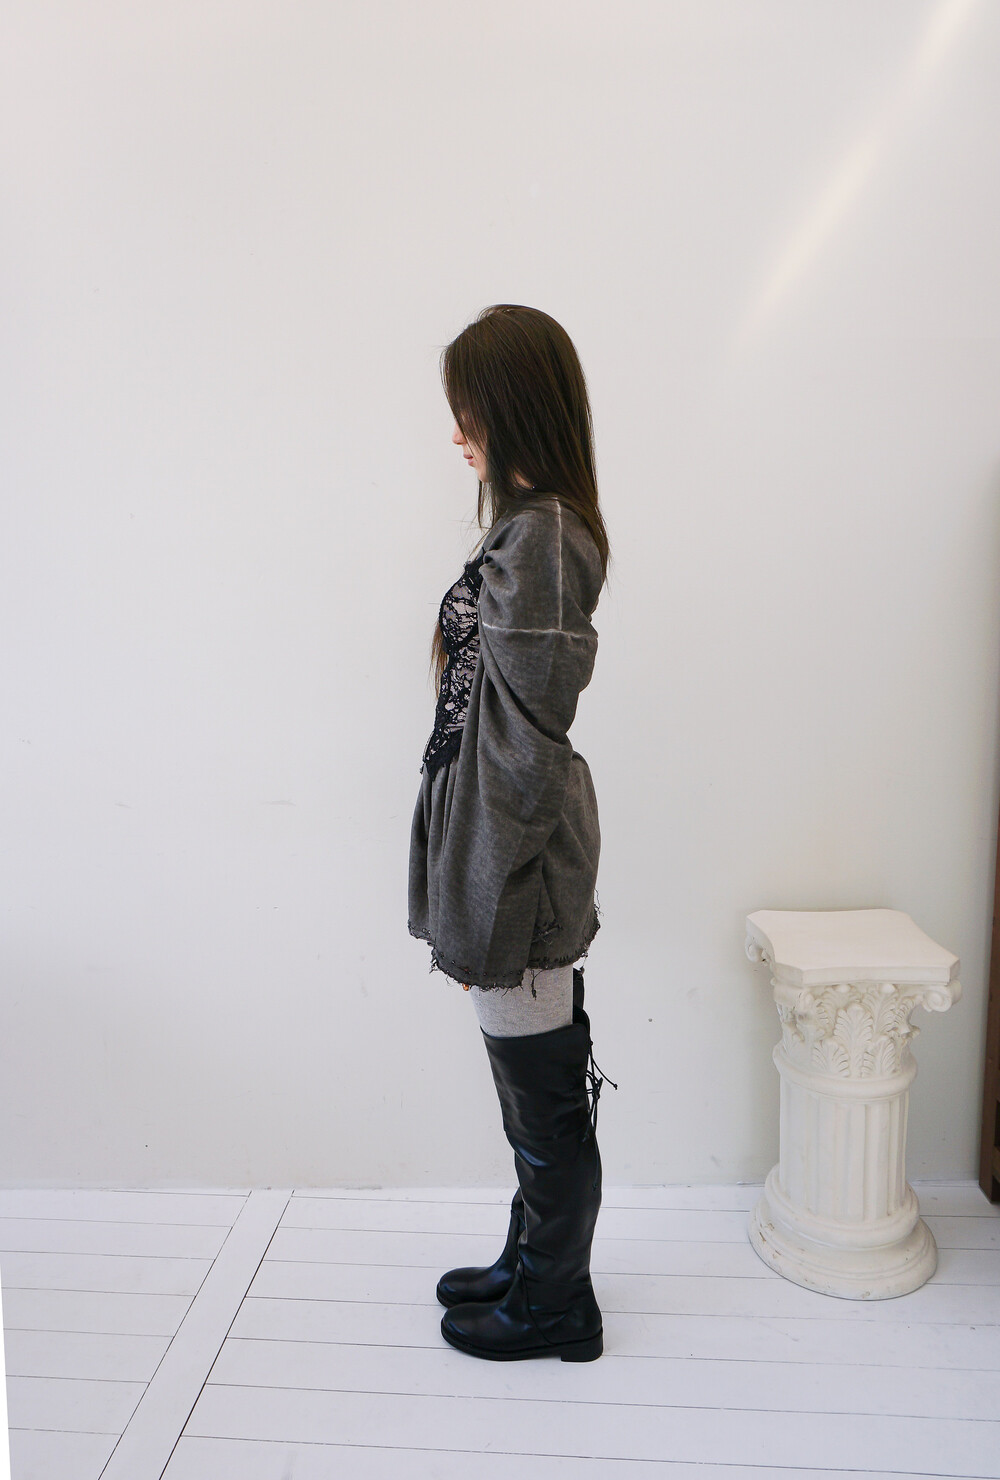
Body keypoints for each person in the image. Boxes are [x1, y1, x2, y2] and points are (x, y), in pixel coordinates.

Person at [407, 303, 615, 1363]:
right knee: (527, 1087)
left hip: (517, 865)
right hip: (501, 850)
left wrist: (486, 908)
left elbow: (528, 750)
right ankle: (532, 1261)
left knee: (544, 1106)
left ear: (514, 407)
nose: (459, 433)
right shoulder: (531, 527)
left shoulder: (542, 537)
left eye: (472, 410)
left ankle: (556, 1305)